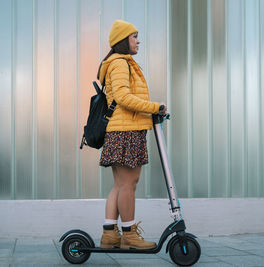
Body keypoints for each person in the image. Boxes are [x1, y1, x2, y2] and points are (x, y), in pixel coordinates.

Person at [97, 19, 167, 250]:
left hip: (123, 129)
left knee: (120, 185)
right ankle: (129, 235)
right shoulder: (119, 64)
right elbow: (124, 98)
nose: (138, 40)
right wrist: (155, 107)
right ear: (123, 41)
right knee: (129, 184)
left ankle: (110, 235)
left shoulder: (121, 63)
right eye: (134, 36)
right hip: (125, 130)